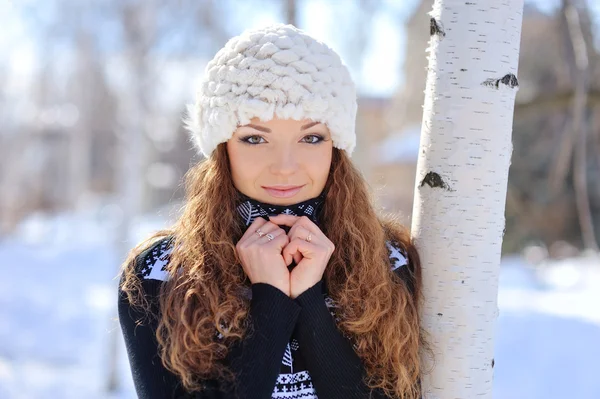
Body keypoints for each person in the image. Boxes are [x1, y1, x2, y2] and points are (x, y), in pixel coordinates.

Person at [118, 23, 423, 399]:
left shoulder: (388, 262)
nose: (284, 166)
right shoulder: (161, 274)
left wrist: (310, 299)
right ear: (221, 148)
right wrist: (272, 300)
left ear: (336, 148)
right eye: (255, 138)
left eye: (311, 137)